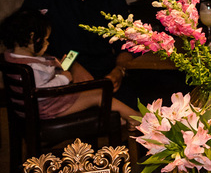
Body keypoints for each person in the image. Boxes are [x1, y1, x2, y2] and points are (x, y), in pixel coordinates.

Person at [1, 8, 137, 122]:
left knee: (91, 93)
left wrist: (58, 67)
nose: (48, 43)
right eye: (46, 39)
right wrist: (64, 78)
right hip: (46, 108)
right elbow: (42, 93)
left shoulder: (12, 57)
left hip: (32, 108)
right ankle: (137, 118)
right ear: (32, 37)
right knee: (99, 94)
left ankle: (123, 118)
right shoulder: (33, 67)